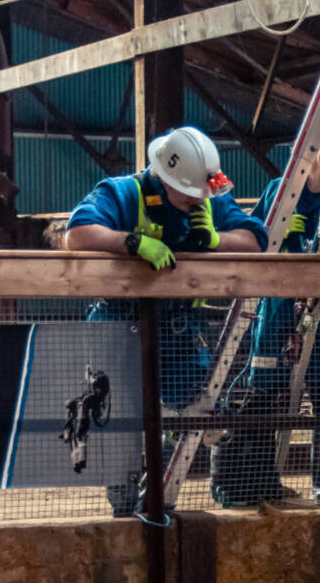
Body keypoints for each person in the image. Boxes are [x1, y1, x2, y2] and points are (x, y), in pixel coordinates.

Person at [65, 125, 267, 513]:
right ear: (165, 178)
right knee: (117, 417)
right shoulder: (123, 192)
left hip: (178, 330)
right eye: (191, 194)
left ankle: (174, 487)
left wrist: (215, 240)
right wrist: (133, 243)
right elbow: (78, 234)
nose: (198, 201)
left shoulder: (207, 197)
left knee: (197, 408)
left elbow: (256, 240)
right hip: (117, 323)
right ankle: (126, 506)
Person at [210, 113, 320, 507]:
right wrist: (275, 235)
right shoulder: (278, 191)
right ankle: (263, 479)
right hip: (276, 312)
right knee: (266, 394)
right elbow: (251, 240)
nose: (310, 148)